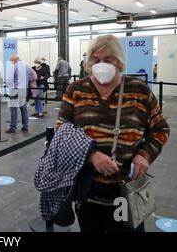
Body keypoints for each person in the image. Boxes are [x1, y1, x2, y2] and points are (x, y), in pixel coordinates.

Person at [56, 35, 170, 232]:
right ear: (88, 62)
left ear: (119, 61)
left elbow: (160, 129)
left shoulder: (139, 91)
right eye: (95, 59)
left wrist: (144, 155)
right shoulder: (76, 90)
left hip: (127, 192)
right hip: (87, 192)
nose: (101, 65)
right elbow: (62, 129)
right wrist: (92, 155)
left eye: (108, 59)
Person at [6, 55, 31, 134]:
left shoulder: (14, 67)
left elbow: (9, 80)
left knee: (14, 109)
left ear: (15, 60)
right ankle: (25, 126)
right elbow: (31, 77)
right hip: (24, 89)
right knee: (23, 108)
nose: (11, 62)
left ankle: (13, 127)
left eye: (11, 61)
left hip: (15, 90)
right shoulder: (26, 67)